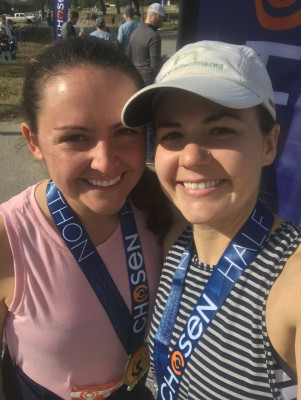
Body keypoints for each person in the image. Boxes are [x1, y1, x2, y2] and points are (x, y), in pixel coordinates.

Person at [121, 41, 301, 399]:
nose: (190, 156)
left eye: (220, 130)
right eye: (172, 134)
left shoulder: (291, 283)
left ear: (269, 144)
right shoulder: (176, 240)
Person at [0, 36, 172, 400]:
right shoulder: (8, 236)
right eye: (76, 137)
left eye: (124, 132)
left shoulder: (164, 208)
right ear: (33, 142)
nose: (106, 162)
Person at [127, 3, 165, 86]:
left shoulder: (134, 32)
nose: (162, 23)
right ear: (158, 16)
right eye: (162, 19)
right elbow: (155, 66)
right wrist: (163, 61)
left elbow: (128, 57)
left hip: (135, 79)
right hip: (148, 80)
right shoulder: (154, 36)